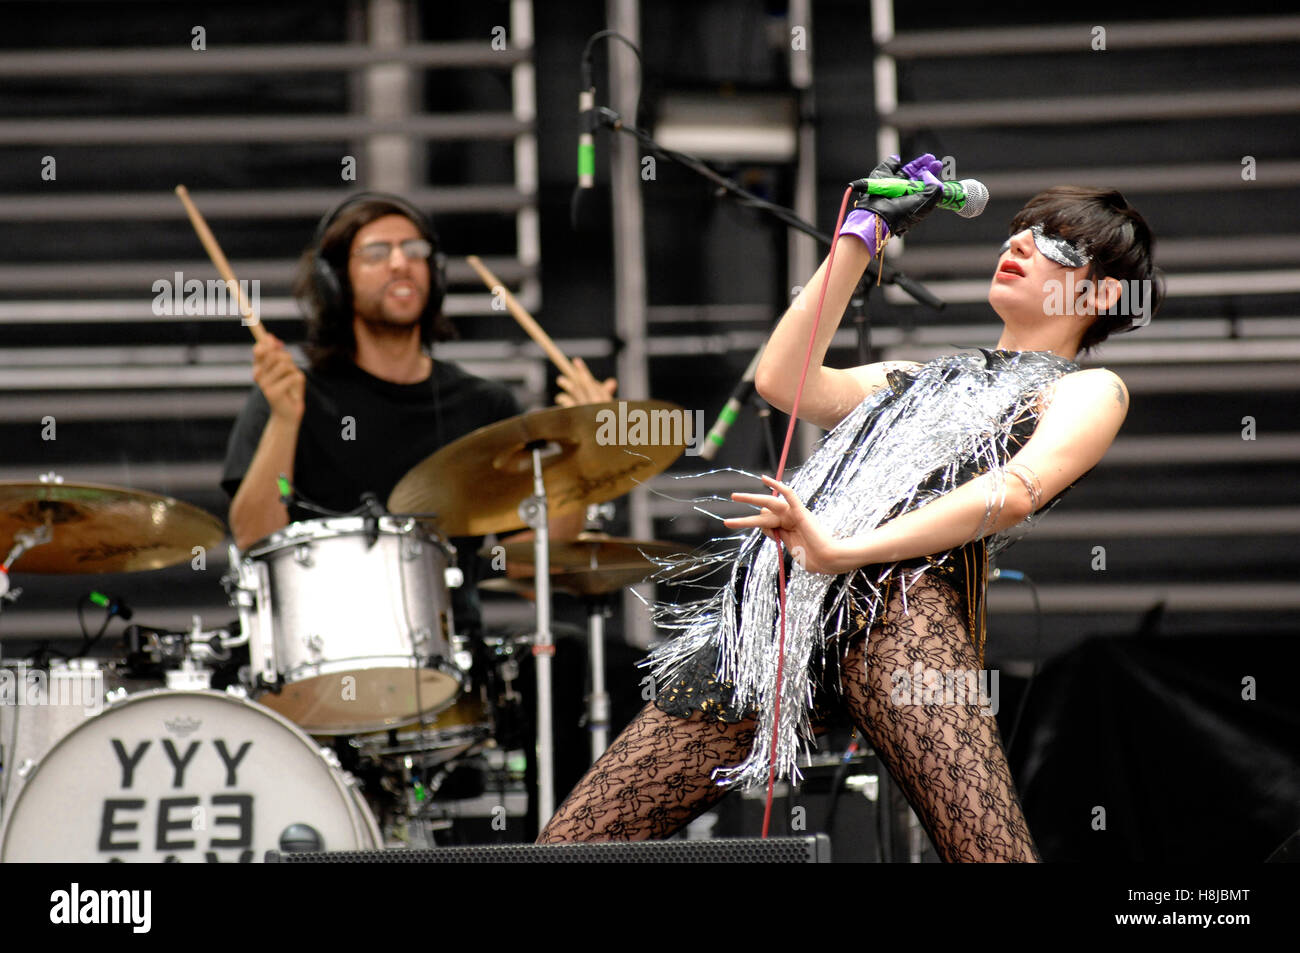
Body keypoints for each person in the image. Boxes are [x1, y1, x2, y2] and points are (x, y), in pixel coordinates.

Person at [537, 155, 1162, 861]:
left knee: (991, 855)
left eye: (1055, 242)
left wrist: (843, 550)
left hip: (899, 606)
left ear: (1104, 294)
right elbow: (785, 379)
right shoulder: (916, 375)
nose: (1017, 244)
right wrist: (857, 242)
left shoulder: (1089, 389)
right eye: (1019, 230)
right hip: (771, 619)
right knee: (570, 844)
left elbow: (1013, 491)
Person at [221, 192, 617, 635]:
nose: (399, 263)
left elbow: (532, 574)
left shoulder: (484, 406)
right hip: (321, 659)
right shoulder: (289, 398)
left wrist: (583, 454)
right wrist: (284, 420)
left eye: (414, 250)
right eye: (376, 253)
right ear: (336, 281)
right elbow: (254, 540)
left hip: (451, 661)